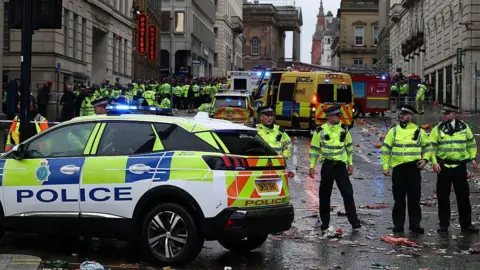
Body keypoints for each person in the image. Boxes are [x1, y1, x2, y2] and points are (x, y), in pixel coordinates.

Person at [309, 105, 361, 230]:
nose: (340, 117)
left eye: (339, 115)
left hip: (340, 167)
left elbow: (349, 147)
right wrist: (311, 166)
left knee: (348, 193)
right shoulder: (320, 131)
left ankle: (354, 222)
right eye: (337, 115)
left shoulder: (344, 129)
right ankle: (325, 222)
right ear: (329, 116)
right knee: (325, 195)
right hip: (327, 166)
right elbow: (314, 149)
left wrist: (350, 164)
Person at [380, 105, 431, 234]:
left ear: (411, 116)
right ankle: (398, 225)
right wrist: (385, 166)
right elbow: (386, 149)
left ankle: (415, 225)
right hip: (398, 169)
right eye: (401, 113)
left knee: (414, 198)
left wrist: (425, 159)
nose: (402, 116)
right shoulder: (394, 131)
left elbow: (428, 147)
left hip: (413, 168)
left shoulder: (419, 131)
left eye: (405, 114)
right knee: (399, 199)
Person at [429, 104, 479, 233]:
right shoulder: (438, 129)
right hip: (443, 166)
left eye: (446, 114)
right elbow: (431, 148)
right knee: (443, 197)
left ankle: (466, 225)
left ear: (454, 115)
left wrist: (472, 158)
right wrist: (434, 162)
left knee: (463, 197)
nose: (443, 115)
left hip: (459, 167)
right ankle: (444, 224)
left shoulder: (464, 127)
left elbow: (471, 144)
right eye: (443, 113)